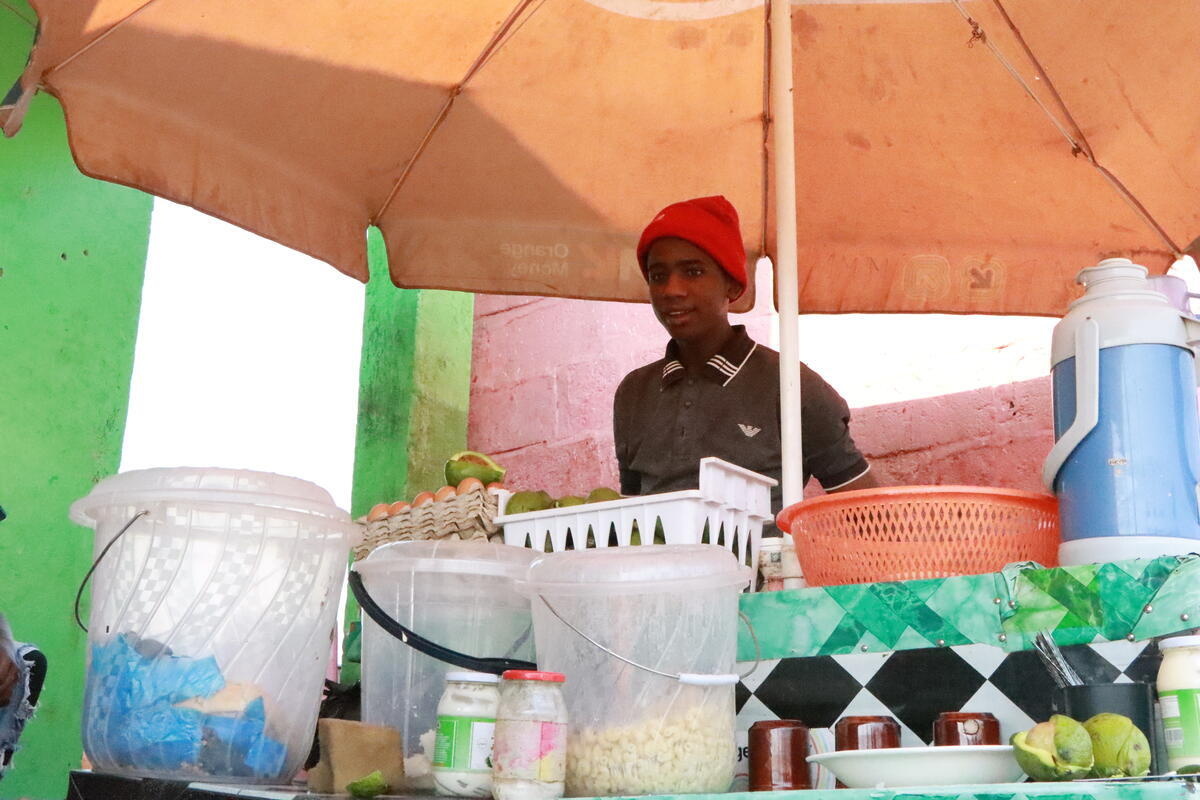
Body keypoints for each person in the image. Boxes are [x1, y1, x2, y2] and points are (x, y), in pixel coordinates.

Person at [614, 195, 878, 515]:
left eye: (694, 272)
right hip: (655, 564)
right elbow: (629, 513)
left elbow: (869, 513)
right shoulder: (633, 393)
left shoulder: (791, 385)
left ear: (732, 285)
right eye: (658, 276)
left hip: (759, 565)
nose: (672, 290)